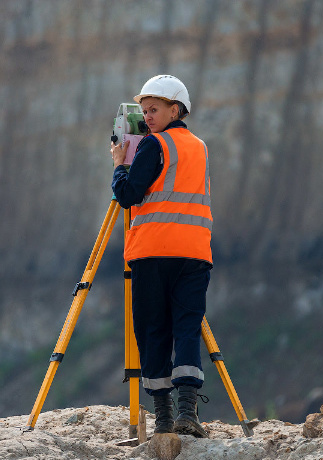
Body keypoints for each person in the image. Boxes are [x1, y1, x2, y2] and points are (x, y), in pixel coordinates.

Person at [110, 75, 212, 438]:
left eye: (154, 110)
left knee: (154, 330)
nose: (148, 117)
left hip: (153, 253)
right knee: (186, 327)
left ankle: (164, 419)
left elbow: (128, 195)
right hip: (195, 253)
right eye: (144, 111)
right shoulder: (199, 147)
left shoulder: (154, 145)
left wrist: (120, 165)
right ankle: (189, 412)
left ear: (175, 109)